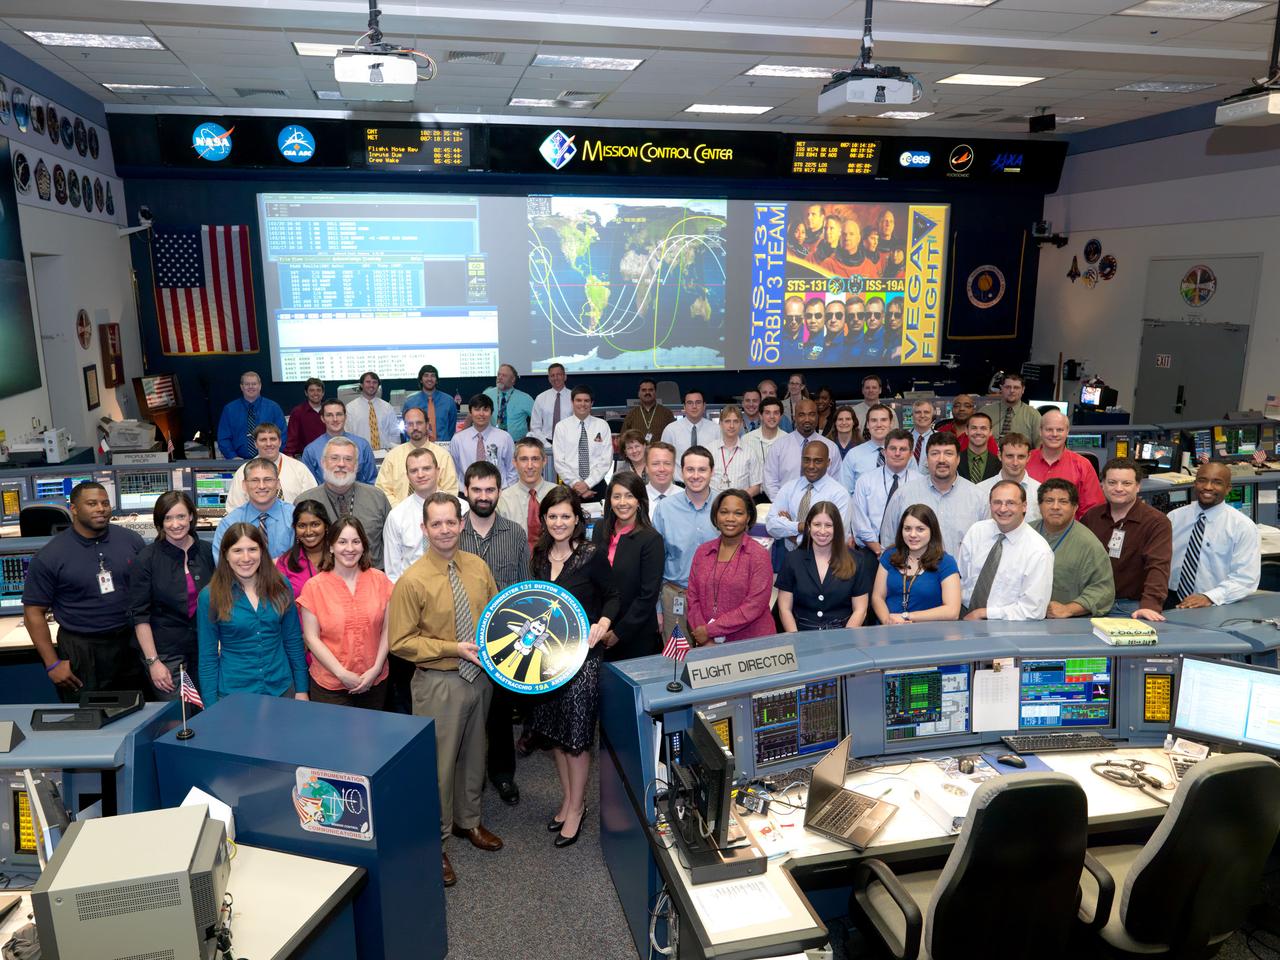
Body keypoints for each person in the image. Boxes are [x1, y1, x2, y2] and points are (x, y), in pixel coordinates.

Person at [388, 494, 502, 887]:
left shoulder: (477, 566)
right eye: (435, 524)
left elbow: (495, 617)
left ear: (461, 523)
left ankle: (468, 822)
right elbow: (400, 642)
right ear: (424, 529)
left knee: (474, 755)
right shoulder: (412, 580)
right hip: (439, 682)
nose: (444, 530)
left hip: (480, 680)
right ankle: (433, 844)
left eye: (451, 522)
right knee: (437, 769)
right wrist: (452, 649)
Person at [528, 488, 619, 849]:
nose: (559, 522)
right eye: (552, 516)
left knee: (577, 737)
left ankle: (578, 806)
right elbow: (536, 599)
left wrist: (605, 622)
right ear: (544, 520)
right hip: (548, 661)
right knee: (556, 735)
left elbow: (613, 594)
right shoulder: (538, 556)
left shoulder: (591, 556)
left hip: (583, 659)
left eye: (566, 516)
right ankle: (566, 800)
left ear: (578, 520)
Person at [459, 461, 529, 805]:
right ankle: (464, 783)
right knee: (465, 714)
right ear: (466, 491)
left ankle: (502, 776)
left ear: (499, 491)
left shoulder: (515, 533)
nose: (483, 496)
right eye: (477, 490)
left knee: (500, 714)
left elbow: (526, 589)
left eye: (490, 490)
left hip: (503, 642)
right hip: (463, 640)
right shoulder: (452, 533)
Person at [197, 523, 309, 706]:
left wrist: (302, 690)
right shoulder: (210, 596)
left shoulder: (281, 586)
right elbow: (207, 657)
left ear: (262, 552)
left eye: (252, 549)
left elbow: (293, 641)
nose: (246, 558)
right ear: (225, 554)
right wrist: (210, 706)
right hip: (235, 695)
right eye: (238, 550)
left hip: (282, 688)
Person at [297, 517, 393, 709]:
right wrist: (341, 673)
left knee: (372, 738)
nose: (350, 548)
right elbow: (311, 638)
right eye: (342, 542)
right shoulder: (314, 587)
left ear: (363, 546)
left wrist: (375, 669)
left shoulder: (380, 580)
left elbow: (388, 629)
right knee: (332, 739)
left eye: (356, 541)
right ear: (331, 547)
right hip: (329, 687)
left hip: (374, 682)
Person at [128, 491, 214, 699]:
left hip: (204, 648)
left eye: (181, 516)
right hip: (166, 653)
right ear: (160, 522)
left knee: (209, 713)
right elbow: (139, 616)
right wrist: (153, 662)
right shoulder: (146, 559)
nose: (175, 524)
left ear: (191, 517)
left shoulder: (208, 551)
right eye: (168, 518)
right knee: (177, 718)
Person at [1082, 458, 1171, 620]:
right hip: (1091, 602)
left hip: (1129, 606)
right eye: (1112, 482)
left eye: (1126, 483)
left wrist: (1149, 606)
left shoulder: (1156, 522)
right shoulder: (1091, 517)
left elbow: (1158, 567)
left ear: (1138, 486)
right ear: (1102, 484)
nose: (1118, 488)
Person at [1166, 461, 1261, 608]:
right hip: (1169, 598)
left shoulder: (1242, 527)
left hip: (1214, 602)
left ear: (1228, 488)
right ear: (1195, 483)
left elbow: (1245, 579)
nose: (1208, 487)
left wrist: (1209, 597)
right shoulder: (1174, 518)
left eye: (1217, 482)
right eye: (1202, 480)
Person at [686, 490, 774, 645]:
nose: (730, 519)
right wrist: (705, 638)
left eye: (738, 513)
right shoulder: (702, 552)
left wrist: (710, 630)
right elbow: (693, 598)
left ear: (748, 517)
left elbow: (755, 606)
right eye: (724, 512)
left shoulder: (759, 555)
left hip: (751, 646)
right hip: (708, 643)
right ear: (715, 516)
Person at [957, 481, 1053, 621]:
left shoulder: (1038, 551)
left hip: (1006, 626)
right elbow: (960, 579)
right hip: (963, 617)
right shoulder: (976, 531)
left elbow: (1034, 610)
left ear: (1024, 506)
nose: (1003, 509)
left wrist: (984, 613)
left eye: (1010, 503)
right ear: (990, 505)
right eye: (997, 502)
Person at [592, 473, 663, 661]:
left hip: (635, 634)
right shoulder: (600, 529)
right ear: (609, 501)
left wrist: (619, 632)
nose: (622, 502)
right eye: (617, 496)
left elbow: (648, 596)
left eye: (629, 495)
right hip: (600, 629)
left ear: (639, 501)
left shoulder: (651, 539)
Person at [880, 432, 986, 556]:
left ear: (958, 459)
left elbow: (985, 546)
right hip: (913, 574)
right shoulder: (903, 495)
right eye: (935, 453)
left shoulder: (978, 498)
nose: (941, 460)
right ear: (926, 459)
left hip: (961, 574)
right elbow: (888, 542)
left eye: (948, 453)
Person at [651, 446, 717, 643]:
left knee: (714, 661)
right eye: (690, 469)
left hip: (715, 599)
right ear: (681, 471)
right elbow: (655, 563)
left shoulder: (724, 505)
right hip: (675, 598)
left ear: (712, 472)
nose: (695, 475)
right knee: (677, 663)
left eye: (702, 470)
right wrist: (658, 609)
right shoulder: (665, 509)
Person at [777, 502, 873, 632]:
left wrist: (846, 640)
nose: (822, 531)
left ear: (837, 528)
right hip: (802, 635)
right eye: (817, 524)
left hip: (843, 636)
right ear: (809, 526)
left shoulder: (857, 560)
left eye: (828, 525)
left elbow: (860, 610)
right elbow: (784, 609)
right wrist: (795, 639)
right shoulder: (792, 560)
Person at [298, 437, 391, 569]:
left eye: (348, 459)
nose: (341, 464)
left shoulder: (377, 498)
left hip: (373, 579)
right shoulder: (304, 502)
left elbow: (392, 544)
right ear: (323, 463)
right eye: (334, 458)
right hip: (322, 580)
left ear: (356, 465)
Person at [1032, 479, 1115, 619]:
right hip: (1021, 616)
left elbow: (1103, 590)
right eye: (1049, 501)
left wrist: (1069, 609)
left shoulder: (1089, 544)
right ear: (1039, 506)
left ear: (1075, 507)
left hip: (1063, 624)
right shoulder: (1025, 533)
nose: (1055, 507)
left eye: (1063, 502)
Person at [870, 505, 962, 624]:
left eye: (920, 529)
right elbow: (877, 597)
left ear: (932, 531)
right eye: (907, 529)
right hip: (890, 631)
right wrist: (888, 621)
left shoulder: (946, 562)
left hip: (929, 635)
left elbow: (952, 611)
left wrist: (907, 617)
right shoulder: (889, 556)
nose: (912, 535)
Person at [384, 447, 464, 582]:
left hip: (457, 586)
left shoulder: (462, 507)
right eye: (414, 471)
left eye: (426, 468)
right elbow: (393, 572)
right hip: (413, 592)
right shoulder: (396, 516)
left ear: (438, 471)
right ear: (407, 476)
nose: (420, 475)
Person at [767, 440, 852, 552]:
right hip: (789, 557)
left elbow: (837, 537)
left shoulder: (839, 494)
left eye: (818, 461)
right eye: (807, 460)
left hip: (826, 560)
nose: (811, 466)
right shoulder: (789, 487)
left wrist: (789, 532)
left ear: (828, 462)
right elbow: (771, 525)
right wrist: (801, 527)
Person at [1027, 410, 1104, 520]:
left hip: (1068, 533)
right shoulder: (1024, 461)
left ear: (1067, 431)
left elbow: (1092, 510)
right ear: (1040, 431)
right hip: (1029, 531)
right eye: (1049, 429)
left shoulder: (1083, 465)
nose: (1054, 434)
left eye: (1060, 430)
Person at [375, 406, 458, 507]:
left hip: (436, 515)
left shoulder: (443, 456)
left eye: (419, 423)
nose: (415, 428)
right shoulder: (393, 456)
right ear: (405, 427)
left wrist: (433, 510)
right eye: (410, 424)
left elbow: (450, 490)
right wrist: (403, 510)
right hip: (400, 516)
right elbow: (382, 490)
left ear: (427, 425)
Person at [212, 458, 294, 560]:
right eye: (255, 480)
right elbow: (223, 566)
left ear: (278, 484)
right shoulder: (229, 523)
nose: (262, 486)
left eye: (268, 479)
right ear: (244, 485)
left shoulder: (294, 518)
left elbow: (303, 562)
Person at [851, 428, 915, 554]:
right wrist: (878, 551)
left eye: (903, 449)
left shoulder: (920, 482)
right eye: (892, 448)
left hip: (912, 552)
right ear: (885, 452)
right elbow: (859, 522)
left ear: (911, 454)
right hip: (871, 551)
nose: (897, 453)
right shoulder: (865, 481)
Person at [763, 398, 841, 500]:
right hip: (785, 510)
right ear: (794, 417)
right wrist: (782, 505)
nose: (807, 419)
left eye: (812, 414)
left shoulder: (831, 448)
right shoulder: (779, 446)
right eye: (802, 415)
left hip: (821, 509)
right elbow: (770, 481)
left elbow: (836, 481)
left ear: (818, 416)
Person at [225, 423, 315, 509]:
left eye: (273, 439)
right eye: (263, 440)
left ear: (280, 442)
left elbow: (313, 502)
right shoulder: (243, 472)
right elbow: (234, 507)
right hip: (255, 524)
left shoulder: (299, 469)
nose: (268, 444)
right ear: (255, 444)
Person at [552, 385, 612, 502]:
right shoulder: (561, 427)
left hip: (597, 486)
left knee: (601, 520)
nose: (582, 404)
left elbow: (606, 460)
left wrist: (587, 484)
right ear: (572, 402)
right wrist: (577, 484)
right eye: (578, 400)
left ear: (592, 403)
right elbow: (559, 461)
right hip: (570, 487)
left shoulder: (602, 425)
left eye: (586, 401)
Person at [498, 437, 559, 550]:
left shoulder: (559, 495)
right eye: (524, 459)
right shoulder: (503, 500)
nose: (530, 466)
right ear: (514, 462)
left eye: (535, 459)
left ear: (544, 461)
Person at [301, 399, 378, 485]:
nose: (335, 419)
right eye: (329, 415)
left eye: (339, 414)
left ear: (345, 417)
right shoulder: (311, 451)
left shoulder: (363, 446)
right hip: (322, 498)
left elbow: (371, 481)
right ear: (322, 418)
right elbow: (309, 486)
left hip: (358, 497)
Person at [450, 393, 516, 487]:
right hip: (466, 492)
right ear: (470, 412)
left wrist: (507, 492)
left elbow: (512, 469)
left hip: (499, 492)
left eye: (485, 410)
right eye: (477, 409)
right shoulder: (458, 439)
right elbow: (453, 470)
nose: (481, 414)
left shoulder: (504, 438)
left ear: (491, 412)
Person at [217, 371, 286, 460]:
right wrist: (232, 457)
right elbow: (223, 438)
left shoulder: (273, 408)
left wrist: (272, 455)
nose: (251, 387)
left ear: (260, 386)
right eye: (247, 384)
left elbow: (282, 435)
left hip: (269, 460)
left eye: (254, 384)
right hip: (238, 462)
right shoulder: (229, 410)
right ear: (241, 387)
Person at [976, 432, 1042, 523]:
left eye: (1021, 457)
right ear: (999, 455)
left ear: (1028, 457)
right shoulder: (980, 490)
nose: (1015, 463)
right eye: (1010, 456)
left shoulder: (1039, 491)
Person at [840, 403, 898, 494]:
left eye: (883, 420)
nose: (879, 425)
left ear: (891, 423)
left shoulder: (903, 453)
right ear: (867, 424)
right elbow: (845, 492)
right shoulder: (853, 455)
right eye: (874, 420)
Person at [276, 500, 330, 598]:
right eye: (302, 526)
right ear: (294, 528)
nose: (308, 532)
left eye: (315, 524)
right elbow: (279, 602)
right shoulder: (285, 562)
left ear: (326, 526)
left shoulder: (340, 557)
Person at [707, 404, 761, 498]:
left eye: (735, 421)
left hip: (740, 504)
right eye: (727, 421)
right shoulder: (709, 450)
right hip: (713, 503)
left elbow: (756, 486)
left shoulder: (750, 452)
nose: (731, 426)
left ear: (740, 424)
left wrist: (739, 499)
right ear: (720, 423)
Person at [401, 364, 459, 443]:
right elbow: (407, 427)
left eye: (433, 376)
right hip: (418, 447)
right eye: (426, 376)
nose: (429, 379)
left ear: (436, 380)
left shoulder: (449, 401)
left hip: (443, 447)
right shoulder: (410, 402)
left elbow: (451, 428)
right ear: (421, 380)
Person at [344, 371, 399, 452]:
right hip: (361, 454)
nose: (371, 385)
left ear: (378, 386)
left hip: (385, 454)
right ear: (361, 385)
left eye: (374, 382)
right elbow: (347, 434)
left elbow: (394, 433)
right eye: (368, 382)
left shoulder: (387, 407)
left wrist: (394, 452)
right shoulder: (350, 408)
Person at [983, 372, 1042, 446]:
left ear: (1023, 390)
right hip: (990, 456)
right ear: (1001, 388)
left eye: (1016, 388)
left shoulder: (1033, 415)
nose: (1012, 391)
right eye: (1007, 387)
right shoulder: (985, 413)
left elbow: (1039, 446)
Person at [743, 398, 787, 491]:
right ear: (760, 415)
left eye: (776, 413)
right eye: (767, 413)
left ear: (781, 416)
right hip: (755, 493)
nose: (772, 416)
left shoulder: (788, 440)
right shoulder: (747, 439)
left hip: (781, 493)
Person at [483, 363, 534, 441]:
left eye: (504, 375)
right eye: (498, 374)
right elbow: (472, 415)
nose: (500, 378)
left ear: (513, 379)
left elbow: (538, 420)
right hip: (492, 442)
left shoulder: (525, 398)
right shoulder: (487, 395)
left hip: (517, 444)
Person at [661, 389, 713, 463]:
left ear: (704, 406)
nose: (694, 406)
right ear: (684, 407)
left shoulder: (716, 430)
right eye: (690, 403)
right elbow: (663, 458)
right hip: (679, 475)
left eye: (698, 402)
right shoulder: (671, 430)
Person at [529, 362, 573, 445]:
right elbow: (535, 427)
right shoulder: (540, 398)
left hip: (569, 443)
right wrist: (546, 444)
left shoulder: (574, 397)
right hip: (546, 442)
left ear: (565, 377)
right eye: (552, 375)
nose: (555, 378)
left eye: (559, 374)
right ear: (549, 378)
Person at [620, 378, 675, 443]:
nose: (647, 392)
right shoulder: (631, 414)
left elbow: (674, 436)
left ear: (655, 393)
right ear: (639, 394)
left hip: (660, 451)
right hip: (638, 452)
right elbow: (623, 437)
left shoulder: (666, 413)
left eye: (651, 390)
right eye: (644, 390)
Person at [284, 377, 327, 456]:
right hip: (305, 456)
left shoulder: (328, 410)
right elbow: (292, 437)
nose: (315, 393)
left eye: (318, 390)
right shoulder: (298, 412)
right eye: (312, 390)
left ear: (323, 393)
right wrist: (289, 456)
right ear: (306, 393)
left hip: (328, 454)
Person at [959, 412, 1001, 483]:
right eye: (974, 428)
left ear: (990, 432)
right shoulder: (954, 460)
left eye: (983, 428)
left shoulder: (1000, 463)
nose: (978, 432)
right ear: (966, 431)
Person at [643, 441, 680, 513]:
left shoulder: (686, 498)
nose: (662, 469)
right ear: (646, 467)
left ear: (674, 467)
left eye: (667, 463)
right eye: (655, 464)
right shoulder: (637, 498)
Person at [907, 400, 936, 465]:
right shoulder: (902, 437)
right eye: (918, 412)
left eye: (926, 412)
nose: (922, 415)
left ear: (932, 415)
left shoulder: (941, 438)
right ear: (912, 415)